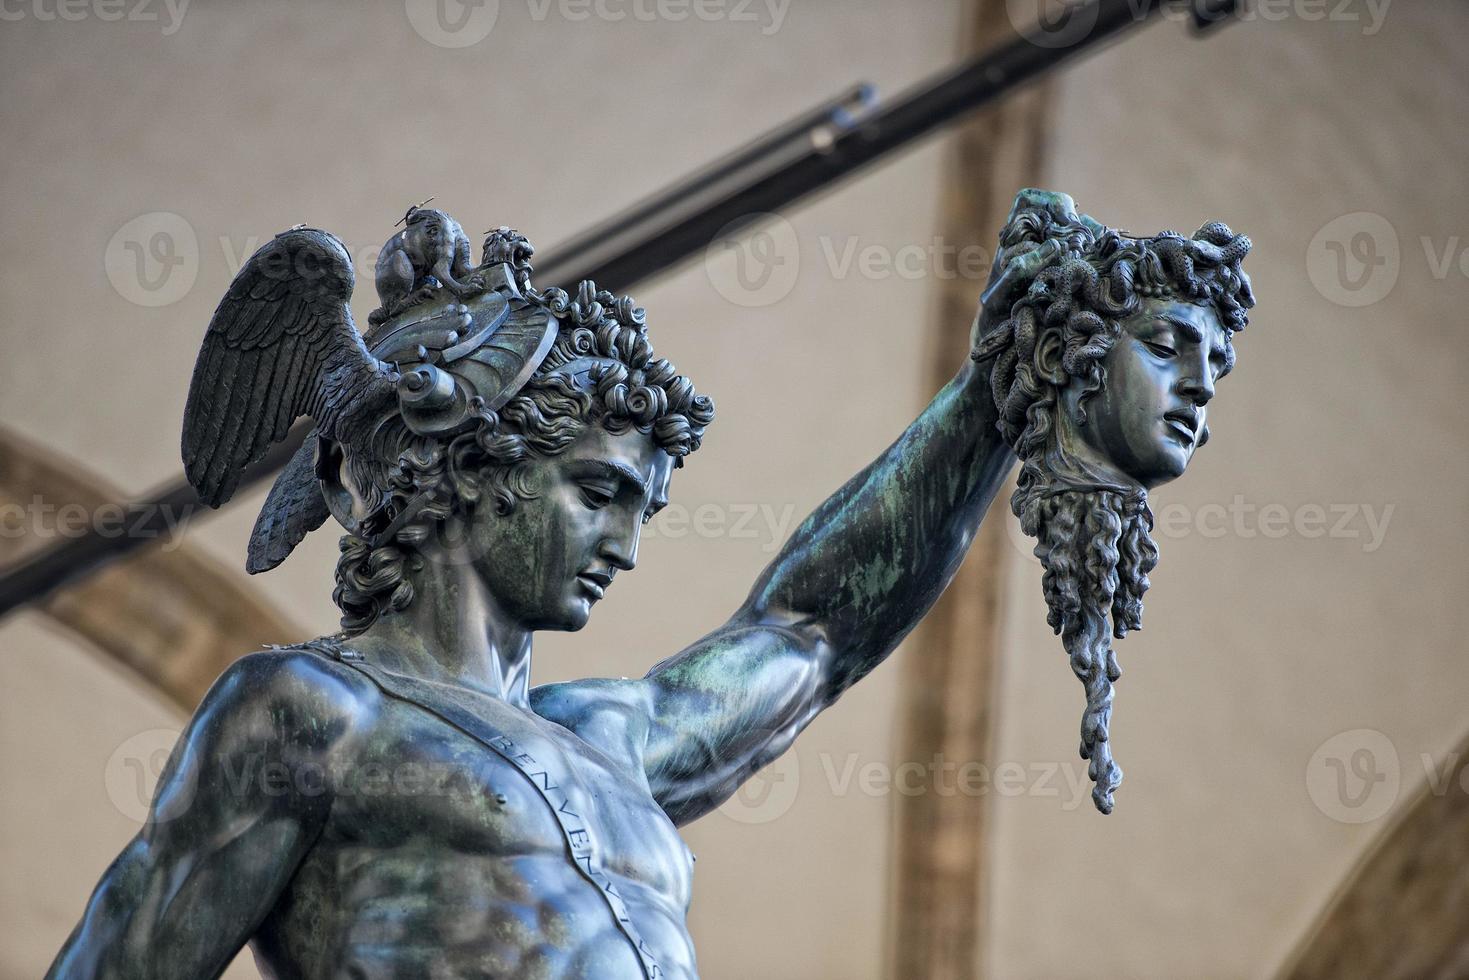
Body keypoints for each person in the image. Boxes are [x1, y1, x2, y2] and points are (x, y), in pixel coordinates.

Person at [48, 190, 1251, 978]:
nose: (627, 541)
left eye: (646, 505)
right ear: (466, 472)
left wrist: (991, 396)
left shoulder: (605, 740)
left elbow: (813, 627)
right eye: (595, 491)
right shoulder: (306, 713)